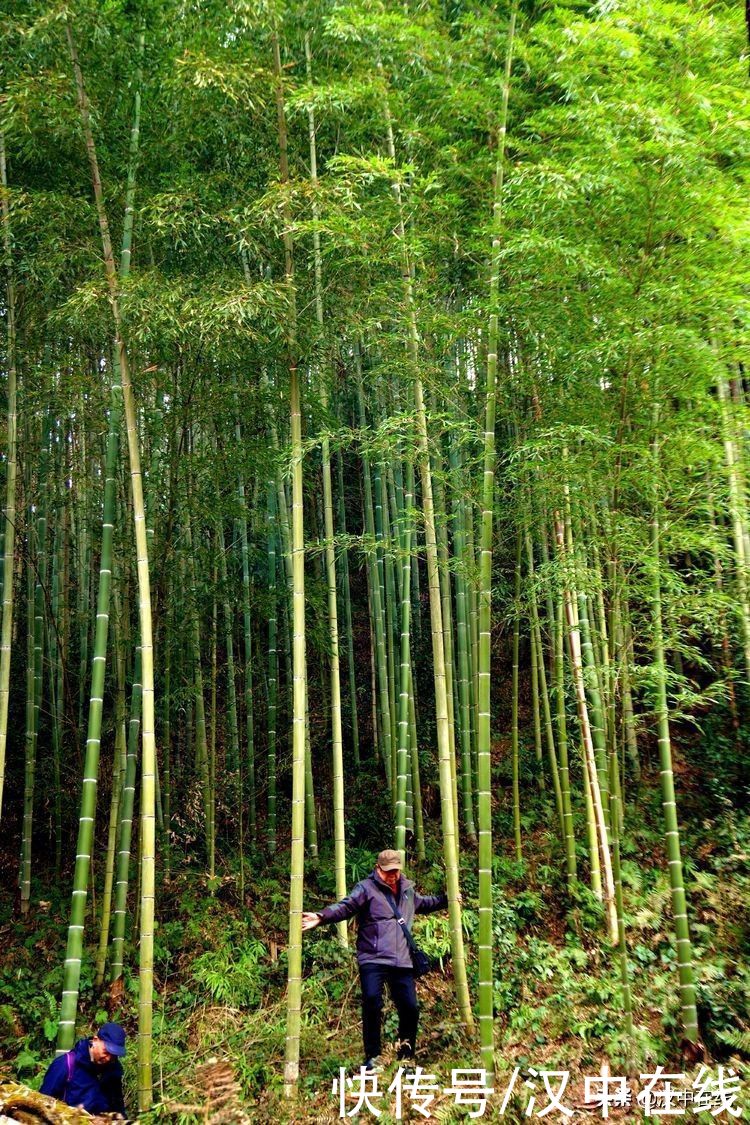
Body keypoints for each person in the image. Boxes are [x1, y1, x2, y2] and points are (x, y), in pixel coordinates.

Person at [302, 848, 453, 1071]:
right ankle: (373, 1057)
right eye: (387, 872)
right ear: (378, 869)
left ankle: (406, 1057)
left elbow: (426, 903)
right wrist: (321, 916)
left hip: (401, 960)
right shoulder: (366, 888)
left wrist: (449, 899)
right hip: (372, 958)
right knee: (372, 1002)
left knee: (410, 1008)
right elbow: (346, 907)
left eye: (395, 871)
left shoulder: (408, 891)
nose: (392, 876)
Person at [40, 1022, 127, 1117]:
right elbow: (42, 1105)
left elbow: (118, 1109)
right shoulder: (65, 1064)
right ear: (95, 1040)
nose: (108, 1059)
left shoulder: (113, 1069)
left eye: (114, 1055)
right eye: (106, 1052)